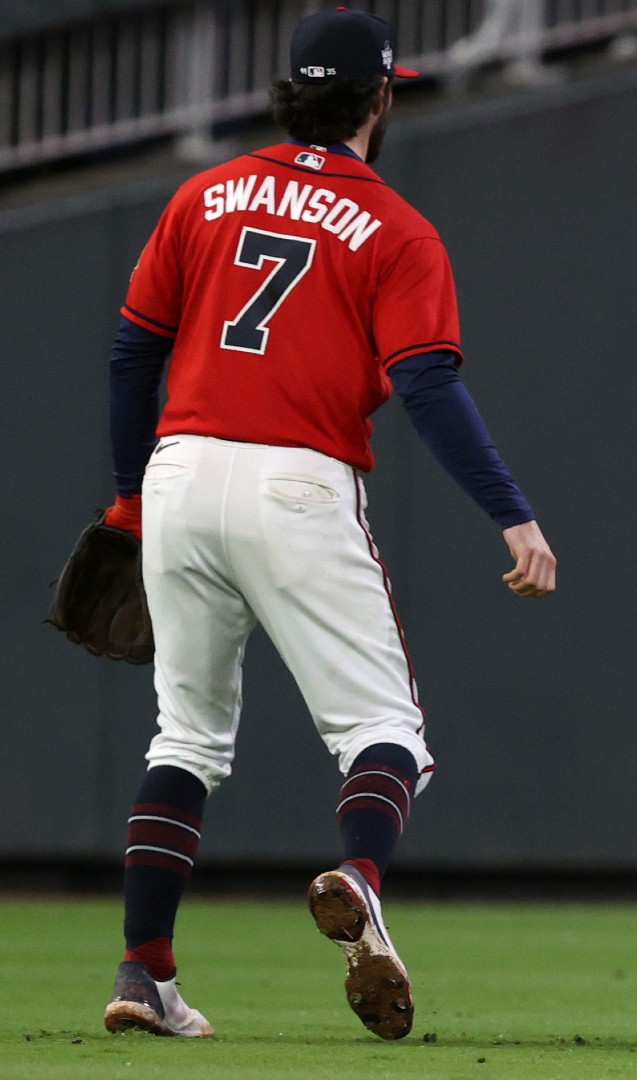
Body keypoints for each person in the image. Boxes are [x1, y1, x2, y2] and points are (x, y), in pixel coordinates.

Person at [99, 8, 556, 1041]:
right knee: (385, 732)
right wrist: (510, 512)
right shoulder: (395, 226)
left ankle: (144, 973)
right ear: (381, 98)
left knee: (187, 736)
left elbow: (133, 351)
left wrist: (130, 494)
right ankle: (357, 874)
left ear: (282, 97)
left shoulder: (203, 193)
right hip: (296, 483)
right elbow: (427, 382)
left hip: (178, 471)